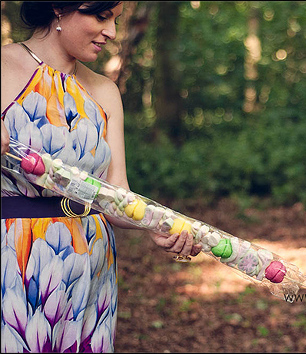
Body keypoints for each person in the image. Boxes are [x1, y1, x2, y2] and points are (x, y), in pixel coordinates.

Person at [1, 2, 201, 352]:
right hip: (14, 259)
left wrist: (157, 223)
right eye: (101, 16)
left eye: (116, 20)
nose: (111, 32)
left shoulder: (105, 91)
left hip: (91, 263)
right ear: (59, 8)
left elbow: (115, 193)